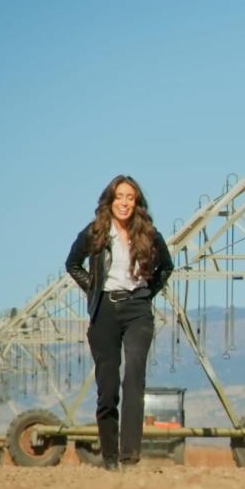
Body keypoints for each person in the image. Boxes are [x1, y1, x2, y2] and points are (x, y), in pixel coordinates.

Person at [66, 175, 173, 470]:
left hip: (138, 309)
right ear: (110, 201)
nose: (124, 203)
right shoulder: (95, 233)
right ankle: (110, 458)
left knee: (134, 378)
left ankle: (130, 456)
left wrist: (148, 294)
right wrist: (93, 287)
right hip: (105, 311)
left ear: (136, 202)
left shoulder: (149, 234)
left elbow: (167, 267)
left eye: (130, 197)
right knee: (108, 389)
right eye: (119, 197)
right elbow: (72, 264)